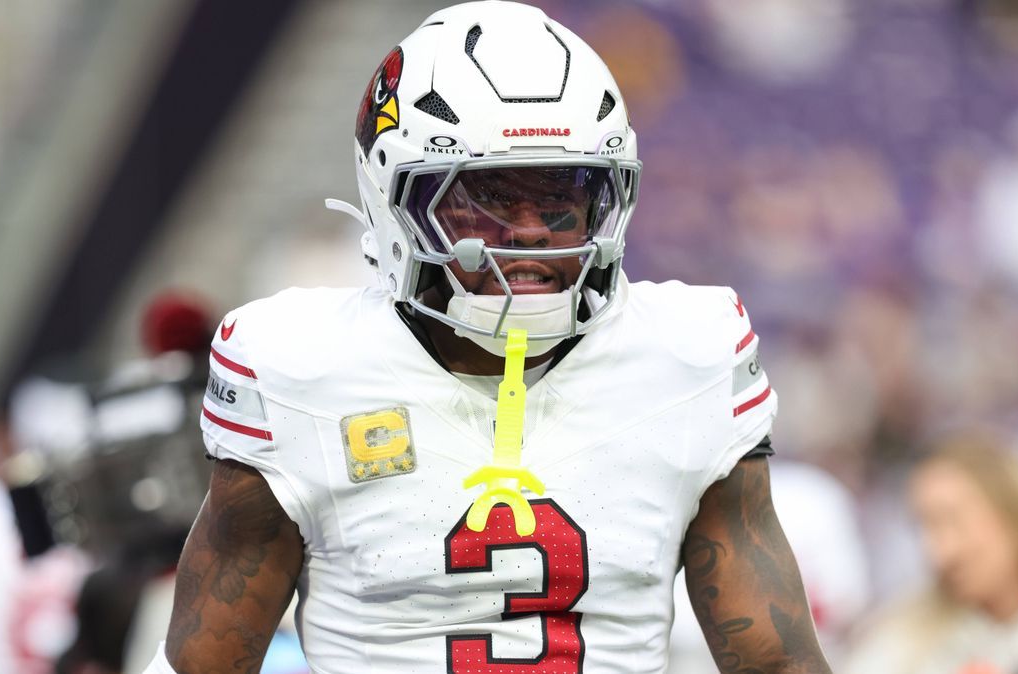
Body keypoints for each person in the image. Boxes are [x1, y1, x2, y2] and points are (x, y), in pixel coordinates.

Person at [143, 2, 830, 672]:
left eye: (563, 195)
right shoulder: (300, 371)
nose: (529, 230)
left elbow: (775, 661)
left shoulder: (688, 358)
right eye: (492, 197)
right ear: (395, 201)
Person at [845, 433, 1018, 674]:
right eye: (923, 527)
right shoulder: (904, 641)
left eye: (953, 519)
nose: (939, 553)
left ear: (1014, 511)